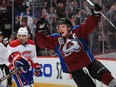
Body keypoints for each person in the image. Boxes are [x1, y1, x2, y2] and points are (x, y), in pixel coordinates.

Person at [35, 3, 116, 87]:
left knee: (107, 77)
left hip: (89, 61)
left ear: (69, 27)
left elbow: (88, 25)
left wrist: (95, 14)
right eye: (59, 27)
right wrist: (40, 30)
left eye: (62, 26)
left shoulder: (77, 31)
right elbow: (42, 42)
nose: (60, 29)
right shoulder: (56, 40)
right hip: (75, 69)